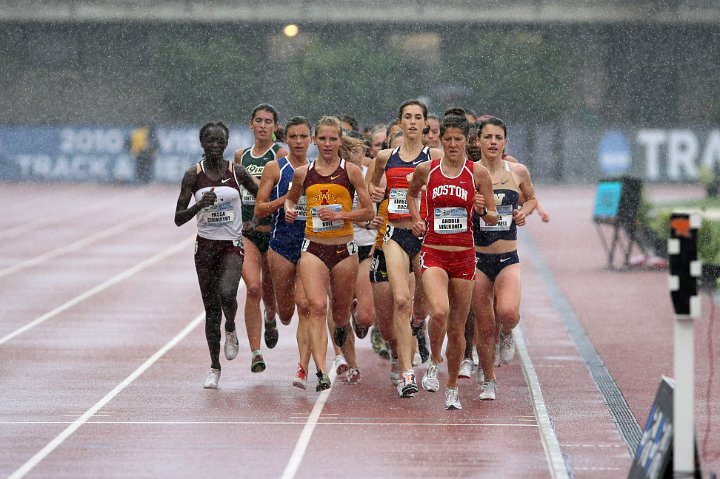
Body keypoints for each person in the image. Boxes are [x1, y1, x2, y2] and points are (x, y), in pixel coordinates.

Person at [406, 113, 497, 410]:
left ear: (466, 141)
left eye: (459, 139)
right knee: (440, 311)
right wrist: (417, 219)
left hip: (464, 257)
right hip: (433, 252)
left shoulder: (478, 173)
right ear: (440, 140)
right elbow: (411, 195)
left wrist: (483, 210)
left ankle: (452, 387)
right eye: (449, 139)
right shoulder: (427, 170)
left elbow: (494, 216)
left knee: (457, 327)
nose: (454, 144)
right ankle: (433, 362)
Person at [284, 116, 373, 391]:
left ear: (340, 141)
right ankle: (321, 371)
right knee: (317, 307)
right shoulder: (303, 173)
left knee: (341, 314)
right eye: (322, 138)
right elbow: (291, 197)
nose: (327, 144)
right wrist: (289, 207)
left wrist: (341, 214)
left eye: (332, 139)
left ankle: (344, 328)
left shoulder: (352, 171)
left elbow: (368, 212)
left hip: (345, 250)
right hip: (313, 248)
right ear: (314, 140)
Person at [174, 121, 259, 389]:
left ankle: (231, 326)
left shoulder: (238, 172)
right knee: (211, 310)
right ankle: (214, 366)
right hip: (205, 246)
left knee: (227, 294)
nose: (215, 145)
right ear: (202, 144)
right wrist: (199, 204)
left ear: (226, 143)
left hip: (232, 244)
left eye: (220, 141)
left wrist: (254, 220)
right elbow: (178, 218)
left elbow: (263, 195)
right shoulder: (192, 175)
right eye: (210, 141)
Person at [368, 99, 443, 398]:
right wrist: (374, 200)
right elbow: (370, 189)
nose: (412, 122)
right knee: (400, 299)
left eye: (418, 118)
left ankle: (416, 322)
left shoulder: (435, 156)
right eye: (407, 117)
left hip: (425, 237)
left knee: (421, 305)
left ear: (425, 124)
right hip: (394, 234)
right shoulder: (386, 157)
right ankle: (406, 371)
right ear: (399, 123)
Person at [472, 116, 537, 401]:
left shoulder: (518, 171)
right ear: (478, 141)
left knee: (507, 313)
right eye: (488, 137)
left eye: (498, 137)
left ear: (505, 142)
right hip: (477, 259)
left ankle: (507, 332)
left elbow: (531, 198)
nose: (493, 142)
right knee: (484, 325)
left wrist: (525, 212)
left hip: (507, 257)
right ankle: (488, 379)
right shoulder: (469, 173)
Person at [253, 116, 314, 389]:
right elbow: (259, 209)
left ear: (311, 139)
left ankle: (302, 368)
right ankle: (271, 315)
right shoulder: (275, 168)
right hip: (280, 245)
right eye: (294, 137)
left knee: (306, 306)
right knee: (287, 313)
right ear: (285, 139)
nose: (299, 142)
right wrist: (287, 200)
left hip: (311, 245)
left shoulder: (320, 170)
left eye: (303, 137)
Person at [234, 104, 290, 373]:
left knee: (271, 290)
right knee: (253, 287)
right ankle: (256, 352)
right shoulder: (240, 155)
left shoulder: (280, 154)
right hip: (247, 234)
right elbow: (233, 192)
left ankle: (271, 316)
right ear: (251, 124)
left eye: (269, 121)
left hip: (274, 233)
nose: (263, 125)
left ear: (276, 127)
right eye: (259, 120)